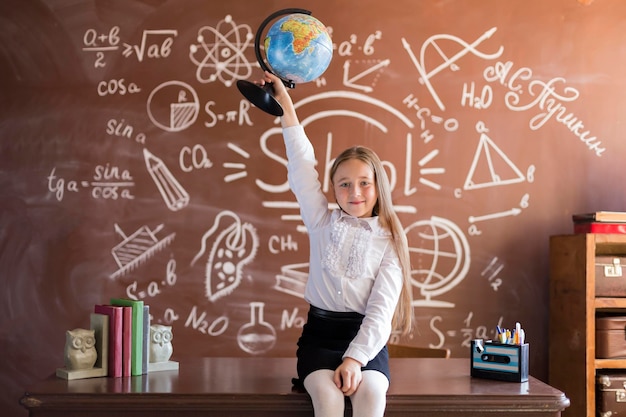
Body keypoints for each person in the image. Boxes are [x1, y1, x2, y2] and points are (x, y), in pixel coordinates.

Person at [258, 71, 413, 417]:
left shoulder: (389, 240)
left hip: (367, 342)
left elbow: (381, 311)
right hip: (320, 338)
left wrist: (356, 358)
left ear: (378, 187)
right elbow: (301, 169)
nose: (354, 193)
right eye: (343, 184)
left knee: (372, 395)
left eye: (363, 183)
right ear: (332, 189)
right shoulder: (322, 222)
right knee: (327, 400)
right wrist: (286, 107)